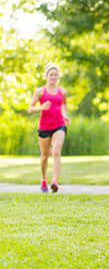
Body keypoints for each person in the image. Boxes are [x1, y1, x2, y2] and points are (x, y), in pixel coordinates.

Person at [28, 62, 71, 193]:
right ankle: (43, 179)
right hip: (44, 126)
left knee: (56, 152)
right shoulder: (40, 91)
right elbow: (30, 109)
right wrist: (41, 107)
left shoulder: (62, 91)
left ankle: (55, 182)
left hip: (59, 125)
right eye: (51, 74)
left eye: (55, 74)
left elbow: (64, 105)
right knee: (45, 156)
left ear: (58, 77)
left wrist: (65, 115)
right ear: (46, 76)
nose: (53, 77)